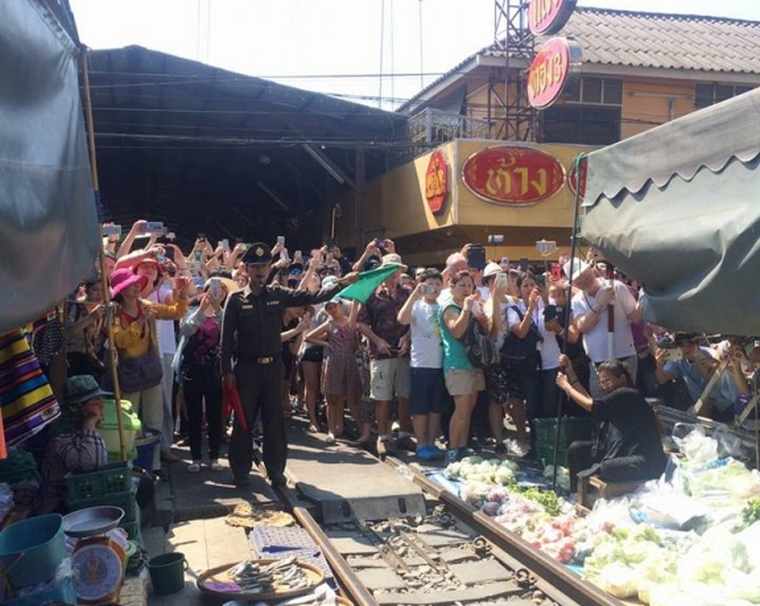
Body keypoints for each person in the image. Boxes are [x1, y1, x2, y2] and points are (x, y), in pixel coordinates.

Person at [221, 243, 358, 487]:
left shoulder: (278, 294)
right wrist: (227, 372)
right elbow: (226, 342)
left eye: (263, 266)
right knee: (244, 423)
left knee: (275, 421)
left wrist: (341, 284)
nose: (260, 271)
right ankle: (240, 471)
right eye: (255, 267)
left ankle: (276, 471)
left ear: (268, 267)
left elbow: (312, 297)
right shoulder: (235, 300)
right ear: (246, 269)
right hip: (246, 370)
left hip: (273, 369)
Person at [109, 268, 189, 472]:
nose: (137, 287)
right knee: (130, 421)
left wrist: (181, 298)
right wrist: (140, 322)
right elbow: (120, 340)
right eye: (131, 285)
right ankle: (131, 465)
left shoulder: (145, 306)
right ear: (121, 290)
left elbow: (176, 313)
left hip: (150, 368)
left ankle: (153, 465)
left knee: (154, 418)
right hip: (129, 372)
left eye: (137, 283)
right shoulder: (115, 312)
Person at [556, 356, 667, 492]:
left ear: (622, 378)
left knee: (606, 467)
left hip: (643, 460)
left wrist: (566, 386)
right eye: (602, 382)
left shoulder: (627, 394)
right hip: (618, 451)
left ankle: (592, 490)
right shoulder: (613, 399)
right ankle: (577, 493)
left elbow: (590, 405)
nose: (604, 385)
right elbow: (590, 401)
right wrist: (571, 373)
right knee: (576, 448)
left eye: (608, 381)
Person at [357, 251, 414, 457]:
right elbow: (361, 323)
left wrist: (407, 338)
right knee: (382, 397)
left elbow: (414, 319)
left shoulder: (408, 293)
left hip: (403, 352)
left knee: (404, 395)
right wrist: (377, 340)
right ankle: (383, 436)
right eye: (389, 270)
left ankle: (404, 435)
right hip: (381, 353)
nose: (393, 274)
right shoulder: (372, 293)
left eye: (396, 270)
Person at [174, 277, 234, 472]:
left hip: (214, 370)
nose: (217, 293)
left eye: (221, 291)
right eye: (213, 290)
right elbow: (185, 330)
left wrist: (218, 308)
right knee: (194, 414)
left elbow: (232, 331)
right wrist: (201, 310)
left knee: (215, 415)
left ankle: (214, 456)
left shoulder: (223, 314)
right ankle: (196, 458)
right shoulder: (192, 309)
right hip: (193, 369)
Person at [567, 258, 642, 399]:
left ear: (591, 270)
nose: (584, 280)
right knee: (600, 402)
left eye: (584, 274)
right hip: (598, 361)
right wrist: (599, 304)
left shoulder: (617, 287)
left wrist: (644, 296)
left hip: (624, 356)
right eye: (578, 279)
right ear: (574, 283)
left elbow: (635, 316)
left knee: (627, 400)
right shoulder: (577, 300)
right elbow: (582, 326)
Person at [39, 375, 110, 513]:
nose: (101, 404)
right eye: (95, 402)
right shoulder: (60, 436)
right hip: (61, 508)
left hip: (81, 499)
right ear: (76, 408)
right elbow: (93, 463)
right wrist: (90, 423)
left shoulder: (78, 429)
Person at [397, 268, 446, 461]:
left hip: (440, 363)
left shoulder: (443, 306)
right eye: (430, 284)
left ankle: (431, 443)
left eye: (437, 284)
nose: (434, 288)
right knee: (420, 407)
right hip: (420, 364)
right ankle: (421, 443)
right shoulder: (417, 305)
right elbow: (401, 319)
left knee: (435, 408)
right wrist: (414, 294)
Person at [305, 298, 369, 444]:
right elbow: (308, 337)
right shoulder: (329, 324)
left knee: (354, 398)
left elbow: (355, 336)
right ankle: (331, 431)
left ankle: (362, 432)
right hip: (333, 363)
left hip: (350, 363)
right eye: (329, 308)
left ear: (340, 306)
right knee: (332, 398)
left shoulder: (350, 321)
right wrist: (326, 343)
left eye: (334, 307)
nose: (332, 310)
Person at [439, 270, 486, 464]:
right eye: (462, 285)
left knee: (469, 408)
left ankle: (462, 446)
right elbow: (457, 332)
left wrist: (482, 315)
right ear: (451, 286)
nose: (467, 289)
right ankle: (452, 449)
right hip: (457, 363)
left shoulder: (472, 305)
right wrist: (466, 309)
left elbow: (487, 330)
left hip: (474, 363)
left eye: (469, 285)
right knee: (461, 409)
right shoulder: (449, 307)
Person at [654, 333, 748, 422]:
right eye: (681, 344)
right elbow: (662, 379)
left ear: (697, 343)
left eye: (689, 343)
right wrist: (658, 364)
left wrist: (699, 359)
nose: (686, 347)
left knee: (704, 405)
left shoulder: (709, 354)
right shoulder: (678, 359)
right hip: (703, 402)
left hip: (724, 403)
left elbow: (712, 379)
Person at [503, 271, 543, 455]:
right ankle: (521, 437)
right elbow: (520, 331)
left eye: (531, 285)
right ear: (519, 289)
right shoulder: (513, 307)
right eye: (525, 285)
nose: (529, 289)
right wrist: (529, 310)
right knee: (517, 402)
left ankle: (536, 441)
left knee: (535, 403)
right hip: (517, 363)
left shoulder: (543, 305)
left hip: (537, 362)